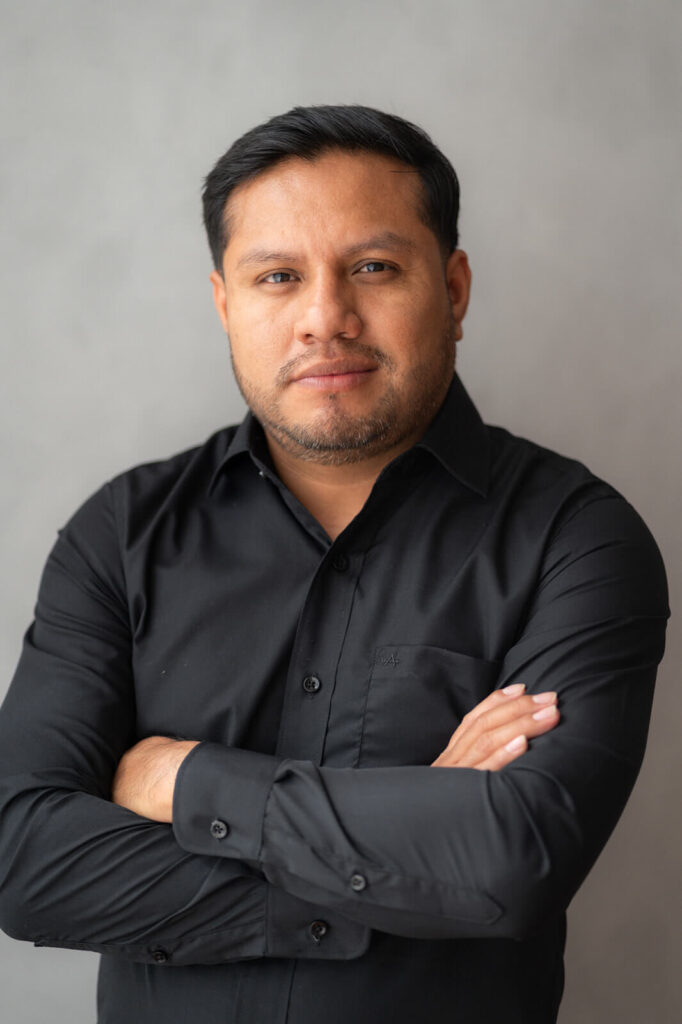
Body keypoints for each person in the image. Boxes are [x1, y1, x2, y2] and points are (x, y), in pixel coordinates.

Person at [0, 105, 669, 1024]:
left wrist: (187, 782)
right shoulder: (120, 534)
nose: (325, 318)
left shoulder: (576, 537)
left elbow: (512, 862)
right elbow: (23, 861)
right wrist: (411, 855)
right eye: (278, 276)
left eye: (373, 268)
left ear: (454, 289)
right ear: (226, 305)